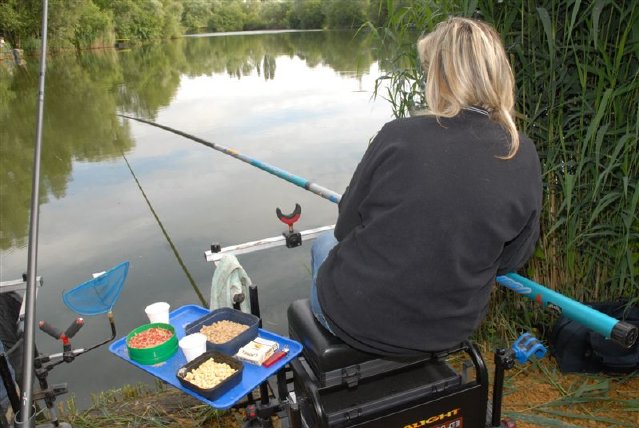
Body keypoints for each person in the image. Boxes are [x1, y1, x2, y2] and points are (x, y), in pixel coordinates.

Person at [310, 17, 542, 357]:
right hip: (449, 332)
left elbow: (345, 228)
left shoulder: (398, 135)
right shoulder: (522, 152)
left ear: (440, 77)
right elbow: (510, 260)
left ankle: (317, 365)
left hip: (356, 319)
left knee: (321, 244)